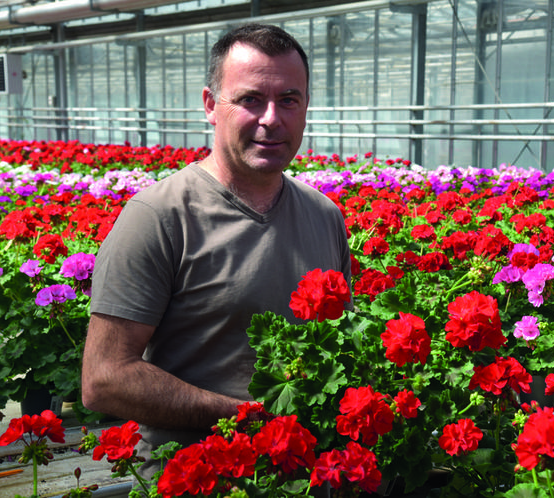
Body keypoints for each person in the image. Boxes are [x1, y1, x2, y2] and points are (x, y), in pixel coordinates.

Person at [81, 23, 351, 479]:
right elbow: (104, 380)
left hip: (303, 477)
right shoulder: (158, 215)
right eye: (250, 100)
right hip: (197, 477)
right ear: (211, 105)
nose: (271, 119)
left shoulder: (325, 215)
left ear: (305, 107)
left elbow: (343, 351)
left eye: (288, 100)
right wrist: (244, 418)